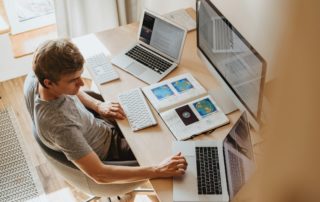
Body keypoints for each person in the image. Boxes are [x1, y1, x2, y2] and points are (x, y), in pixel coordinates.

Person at [24, 39, 187, 184]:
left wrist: (97, 105)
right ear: (49, 83)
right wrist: (157, 170)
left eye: (80, 75)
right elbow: (100, 175)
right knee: (176, 152)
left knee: (155, 109)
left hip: (100, 126)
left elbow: (73, 90)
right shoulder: (59, 125)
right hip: (112, 152)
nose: (81, 83)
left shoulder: (39, 76)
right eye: (74, 80)